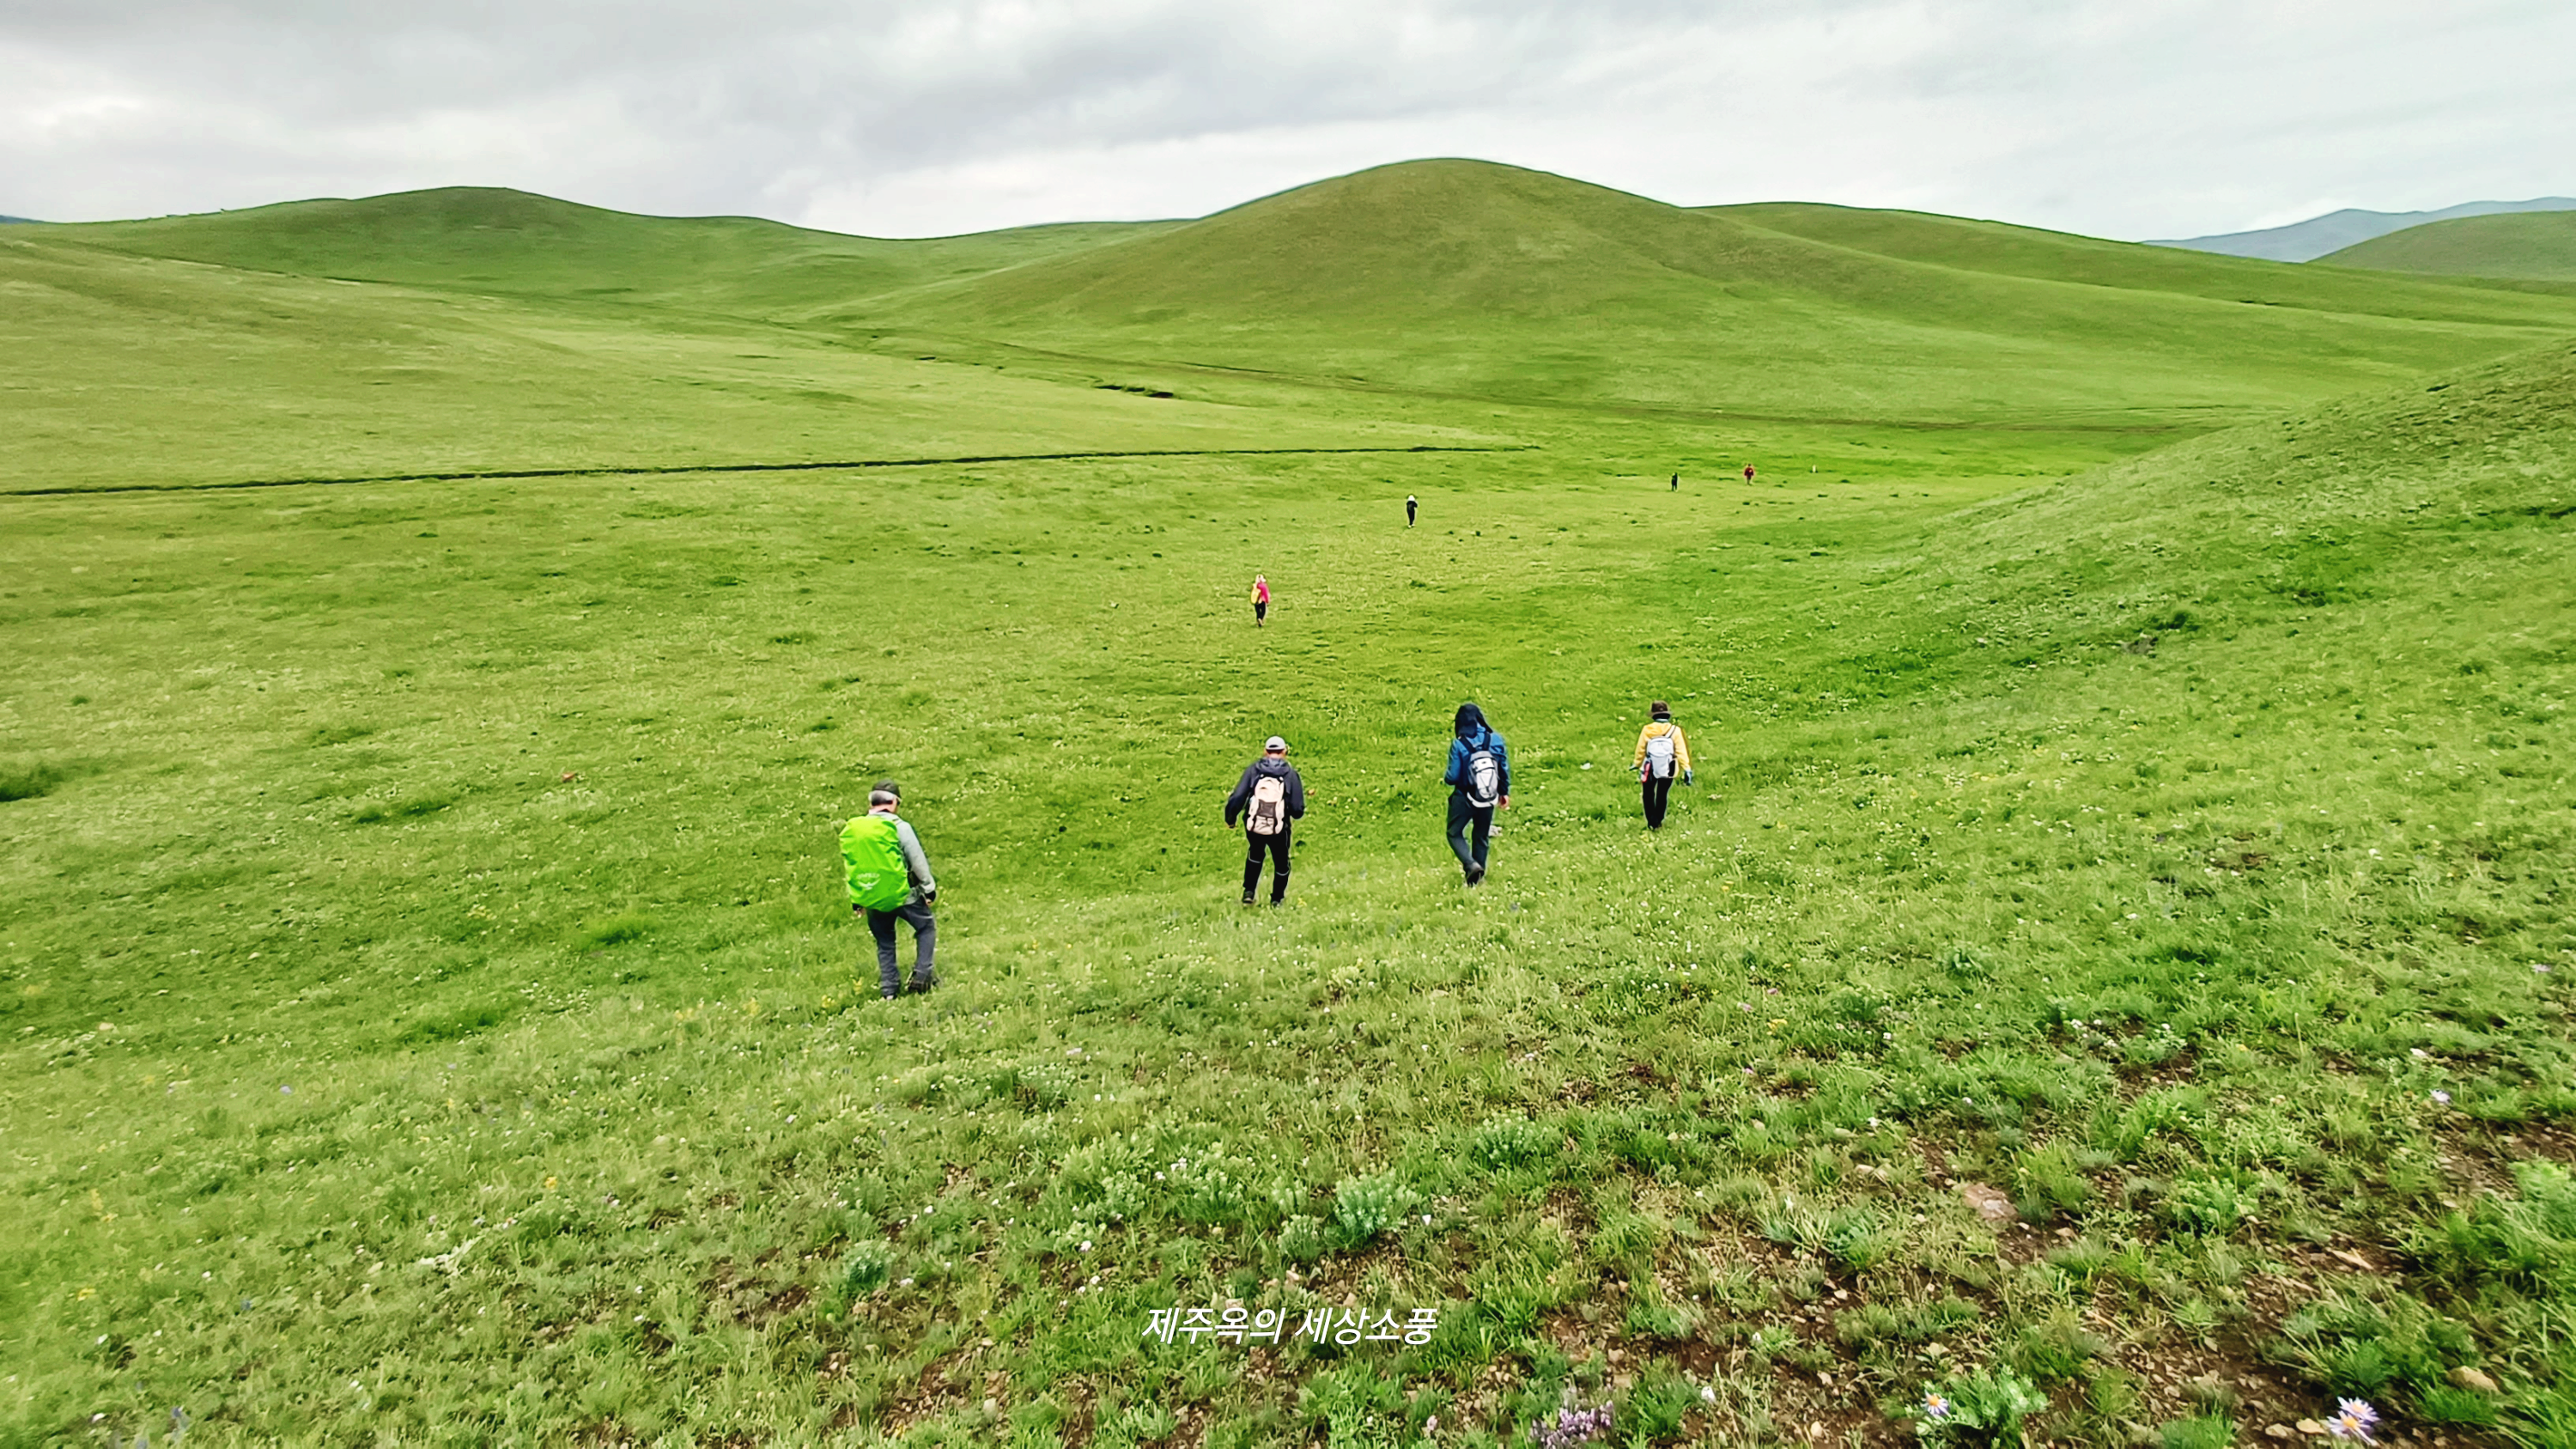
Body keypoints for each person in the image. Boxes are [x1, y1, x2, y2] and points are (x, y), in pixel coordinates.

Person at [841, 781, 936, 999]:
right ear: (894, 802)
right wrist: (929, 888)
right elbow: (917, 860)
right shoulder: (899, 827)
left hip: (872, 893)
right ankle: (921, 977)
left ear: (871, 802)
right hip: (904, 894)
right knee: (926, 927)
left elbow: (853, 865)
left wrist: (858, 898)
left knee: (884, 941)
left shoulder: (855, 830)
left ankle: (889, 990)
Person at [1224, 735, 1306, 904]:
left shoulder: (1254, 770)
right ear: (1284, 752)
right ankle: (1276, 899)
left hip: (1254, 825)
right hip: (1279, 827)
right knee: (1282, 863)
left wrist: (1231, 818)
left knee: (1255, 853)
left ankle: (1249, 892)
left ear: (1265, 752)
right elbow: (1297, 810)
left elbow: (1238, 795)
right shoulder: (1290, 774)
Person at [1443, 702, 1510, 885]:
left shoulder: (1459, 744)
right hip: (1488, 796)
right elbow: (1503, 769)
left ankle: (1471, 865)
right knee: (1481, 836)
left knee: (1454, 833)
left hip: (1464, 796)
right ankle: (1477, 880)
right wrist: (1504, 792)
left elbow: (1452, 776)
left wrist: (1447, 777)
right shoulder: (1495, 739)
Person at [1632, 701, 1694, 831]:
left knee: (1648, 794)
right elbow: (1681, 751)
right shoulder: (1675, 731)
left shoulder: (1647, 730)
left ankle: (1651, 821)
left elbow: (1641, 749)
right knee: (1662, 794)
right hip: (1669, 768)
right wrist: (1687, 768)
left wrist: (1637, 764)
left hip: (1650, 768)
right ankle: (1659, 820)